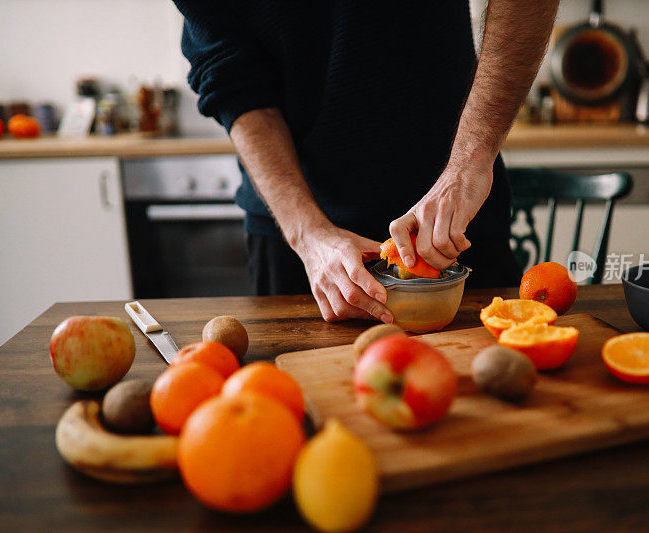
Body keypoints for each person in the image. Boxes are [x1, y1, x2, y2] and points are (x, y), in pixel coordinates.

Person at [174, 1, 558, 324]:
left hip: (456, 222)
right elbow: (230, 76)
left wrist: (468, 162)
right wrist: (307, 234)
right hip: (297, 239)